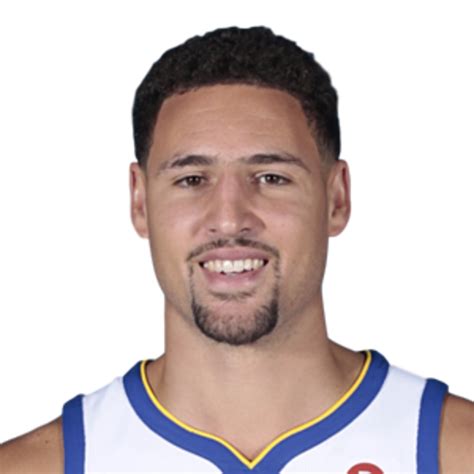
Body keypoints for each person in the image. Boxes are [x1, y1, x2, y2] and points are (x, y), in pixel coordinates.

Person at [1, 26, 472, 474]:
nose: (229, 219)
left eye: (271, 178)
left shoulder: (457, 453)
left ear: (337, 199)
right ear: (140, 202)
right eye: (192, 180)